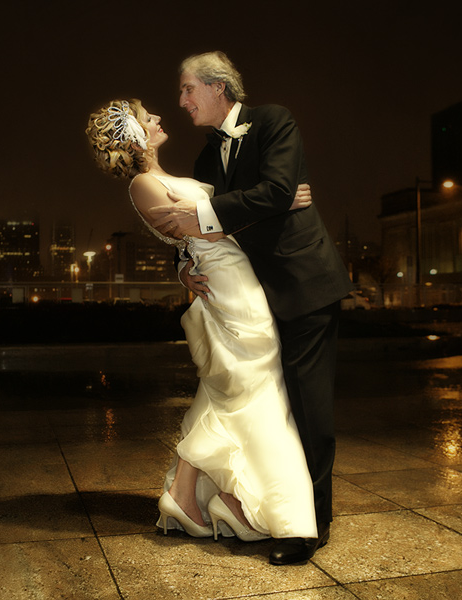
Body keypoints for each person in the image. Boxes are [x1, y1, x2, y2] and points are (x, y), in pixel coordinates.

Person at [85, 99, 319, 549]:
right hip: (226, 286)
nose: (157, 118)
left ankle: (189, 493)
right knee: (251, 382)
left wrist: (183, 265)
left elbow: (194, 231)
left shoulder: (166, 176)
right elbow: (190, 232)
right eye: (147, 117)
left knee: (232, 385)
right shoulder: (142, 184)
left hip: (232, 275)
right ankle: (222, 499)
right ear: (135, 136)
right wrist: (278, 202)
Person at [150, 51, 354, 565]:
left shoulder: (272, 120)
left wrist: (215, 210)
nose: (181, 101)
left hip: (304, 286)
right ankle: (260, 507)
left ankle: (310, 525)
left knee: (309, 409)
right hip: (250, 300)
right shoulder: (203, 160)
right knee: (271, 411)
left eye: (187, 89)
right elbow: (206, 229)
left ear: (218, 87)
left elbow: (275, 190)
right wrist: (183, 269)